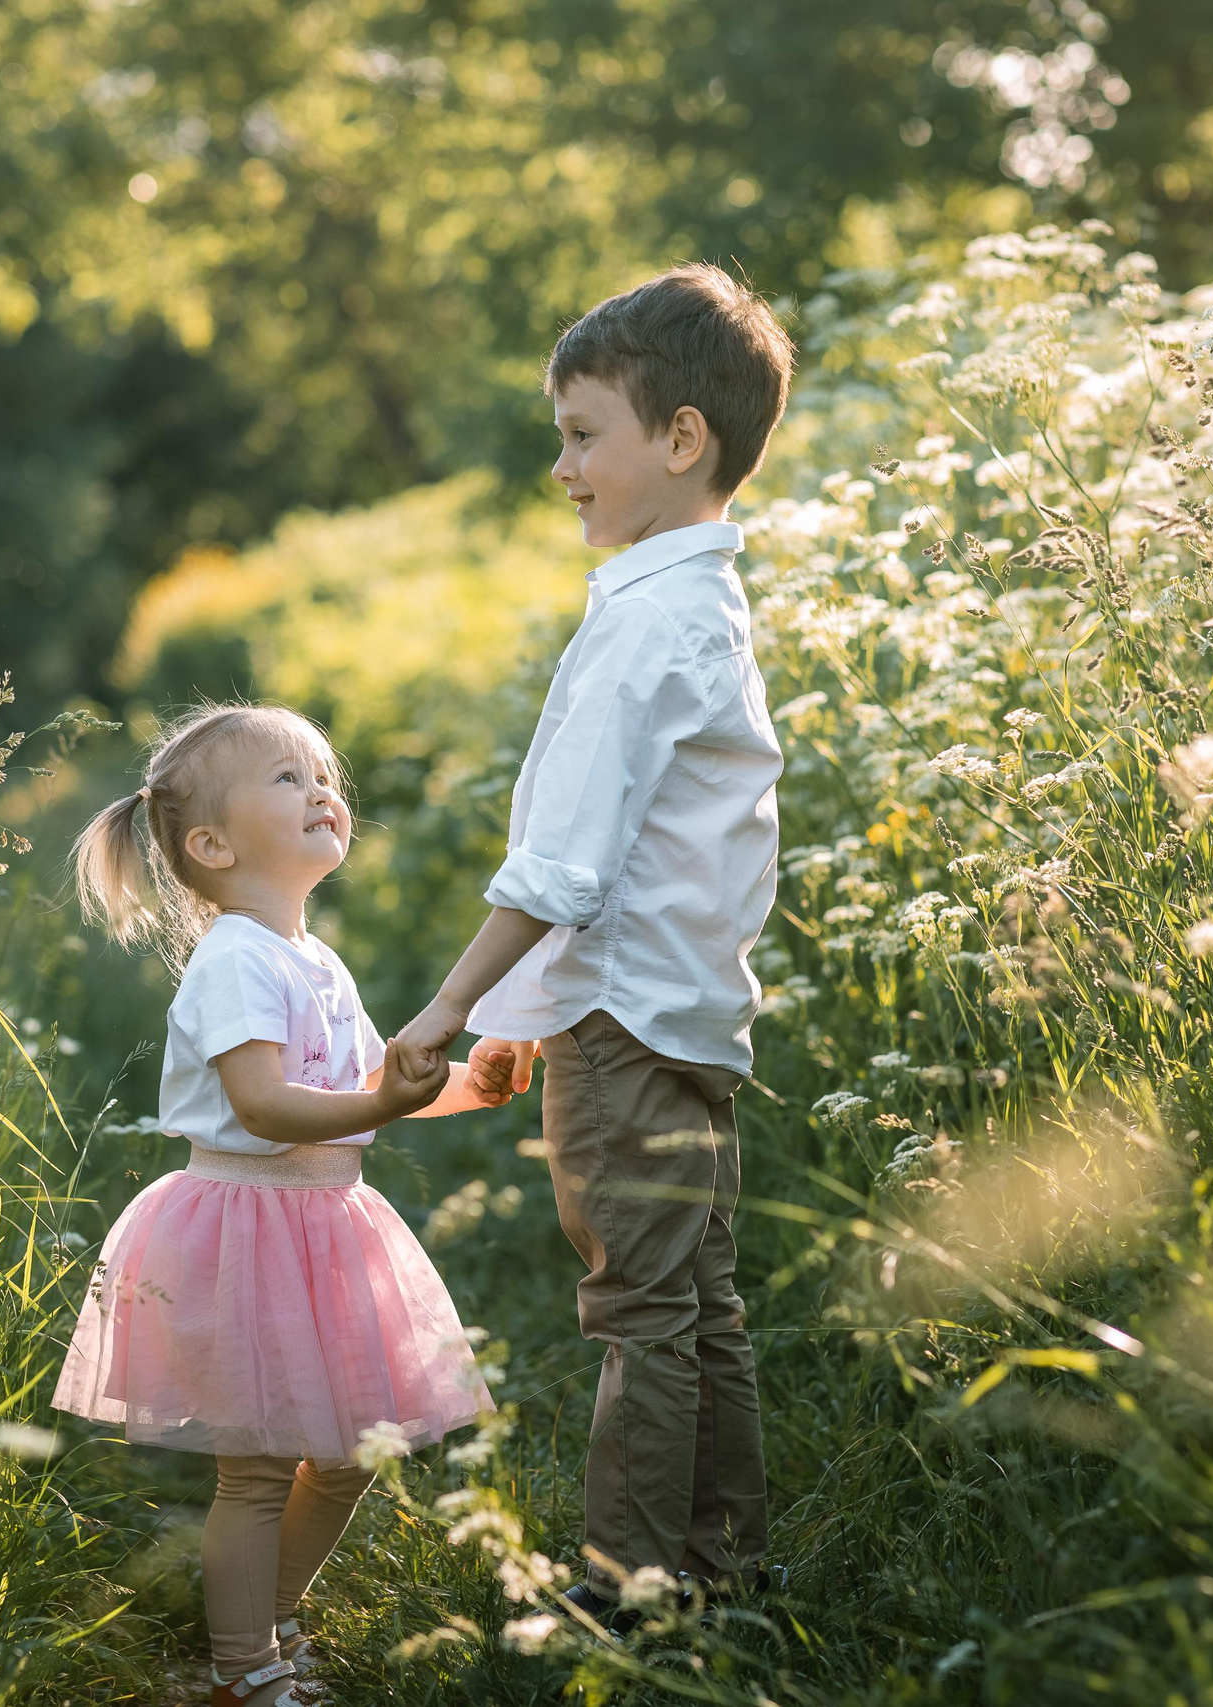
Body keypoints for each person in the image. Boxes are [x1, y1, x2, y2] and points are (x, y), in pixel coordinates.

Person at [392, 262, 796, 1627]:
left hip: (624, 1026)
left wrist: (452, 1008)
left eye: (582, 435)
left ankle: (629, 1588)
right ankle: (726, 1564)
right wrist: (525, 1010)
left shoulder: (641, 623)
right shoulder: (703, 604)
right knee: (698, 1302)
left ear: (681, 439)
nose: (561, 466)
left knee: (641, 1309)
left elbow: (563, 866)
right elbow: (635, 859)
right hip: (686, 1009)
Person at [55, 704, 510, 1707]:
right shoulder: (235, 961)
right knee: (257, 1473)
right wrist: (380, 1100)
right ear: (212, 845)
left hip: (324, 1229)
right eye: (286, 779)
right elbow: (263, 1104)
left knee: (348, 1457)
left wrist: (470, 1081)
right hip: (245, 1230)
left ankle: (268, 1615)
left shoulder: (313, 956)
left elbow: (364, 1079)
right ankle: (241, 1667)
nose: (319, 791)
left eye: (320, 775)